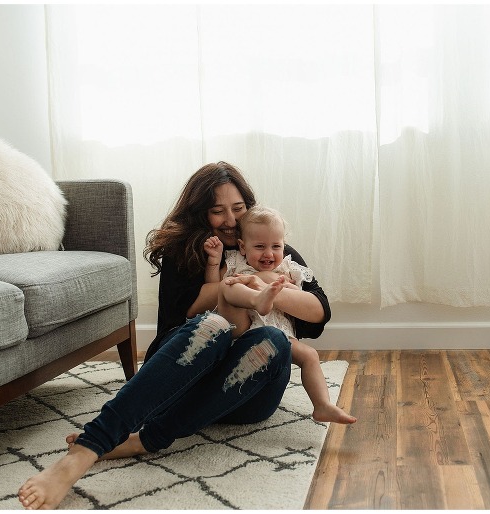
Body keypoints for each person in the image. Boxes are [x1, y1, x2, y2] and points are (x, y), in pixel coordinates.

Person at [17, 162, 337, 510]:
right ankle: (85, 451)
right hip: (182, 376)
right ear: (201, 213)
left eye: (238, 208)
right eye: (218, 211)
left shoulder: (273, 250)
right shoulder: (187, 251)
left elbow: (319, 313)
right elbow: (189, 313)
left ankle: (145, 440)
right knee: (214, 325)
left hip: (246, 392)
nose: (230, 219)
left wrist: (267, 285)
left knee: (273, 342)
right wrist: (236, 286)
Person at [206, 205, 356, 424]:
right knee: (231, 291)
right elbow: (213, 288)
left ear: (284, 245)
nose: (268, 253)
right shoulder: (234, 262)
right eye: (259, 246)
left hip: (281, 335)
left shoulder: (288, 268)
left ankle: (322, 405)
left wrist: (283, 287)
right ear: (243, 246)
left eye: (276, 246)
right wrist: (213, 261)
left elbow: (303, 296)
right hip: (245, 334)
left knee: (310, 356)